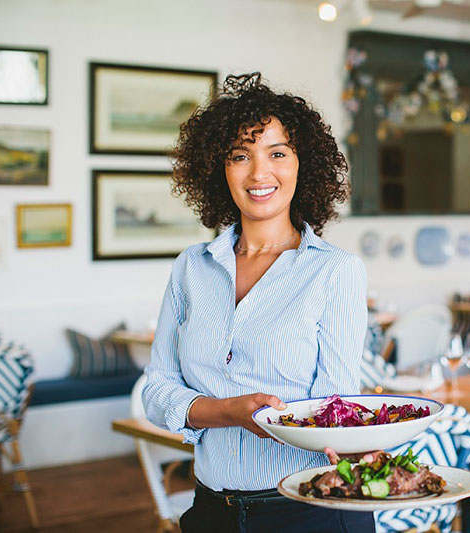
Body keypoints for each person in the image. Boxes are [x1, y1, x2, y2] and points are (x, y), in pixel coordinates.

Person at [142, 72, 374, 533]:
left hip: (312, 509)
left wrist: (356, 439)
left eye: (277, 153)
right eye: (239, 156)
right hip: (211, 512)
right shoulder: (191, 267)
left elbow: (336, 406)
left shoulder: (335, 271)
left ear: (302, 164)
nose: (258, 173)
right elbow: (156, 391)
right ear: (218, 169)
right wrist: (228, 412)